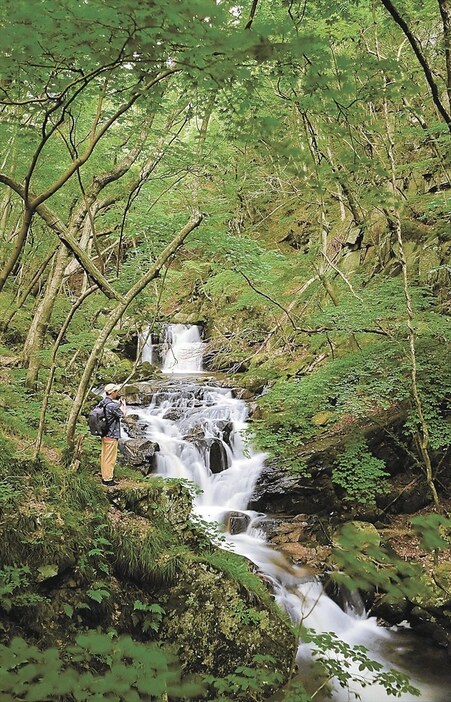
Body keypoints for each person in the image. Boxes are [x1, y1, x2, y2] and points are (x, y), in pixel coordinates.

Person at [99, 383, 126, 486]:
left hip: (104, 434)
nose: (117, 393)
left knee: (105, 456)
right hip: (112, 434)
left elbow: (110, 411)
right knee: (110, 458)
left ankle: (104, 475)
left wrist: (117, 405)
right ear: (112, 392)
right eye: (116, 391)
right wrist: (123, 405)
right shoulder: (113, 405)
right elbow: (123, 414)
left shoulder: (103, 402)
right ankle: (108, 479)